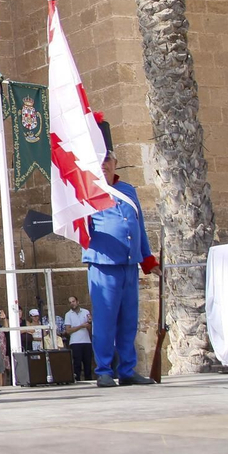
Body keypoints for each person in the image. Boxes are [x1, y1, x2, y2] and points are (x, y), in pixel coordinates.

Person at [82, 116, 159, 388]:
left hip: (129, 263)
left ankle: (127, 369)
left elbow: (140, 226)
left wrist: (148, 259)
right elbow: (81, 227)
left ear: (114, 163)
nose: (104, 165)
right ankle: (104, 369)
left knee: (128, 320)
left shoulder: (128, 190)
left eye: (108, 160)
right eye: (99, 161)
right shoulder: (87, 191)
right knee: (104, 320)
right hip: (103, 263)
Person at [61, 294, 93, 381]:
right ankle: (77, 379)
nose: (72, 303)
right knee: (77, 364)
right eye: (70, 302)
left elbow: (90, 329)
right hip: (75, 342)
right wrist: (80, 326)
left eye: (73, 301)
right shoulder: (68, 314)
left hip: (86, 341)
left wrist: (89, 323)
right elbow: (68, 330)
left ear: (77, 302)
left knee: (88, 363)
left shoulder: (86, 312)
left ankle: (89, 379)